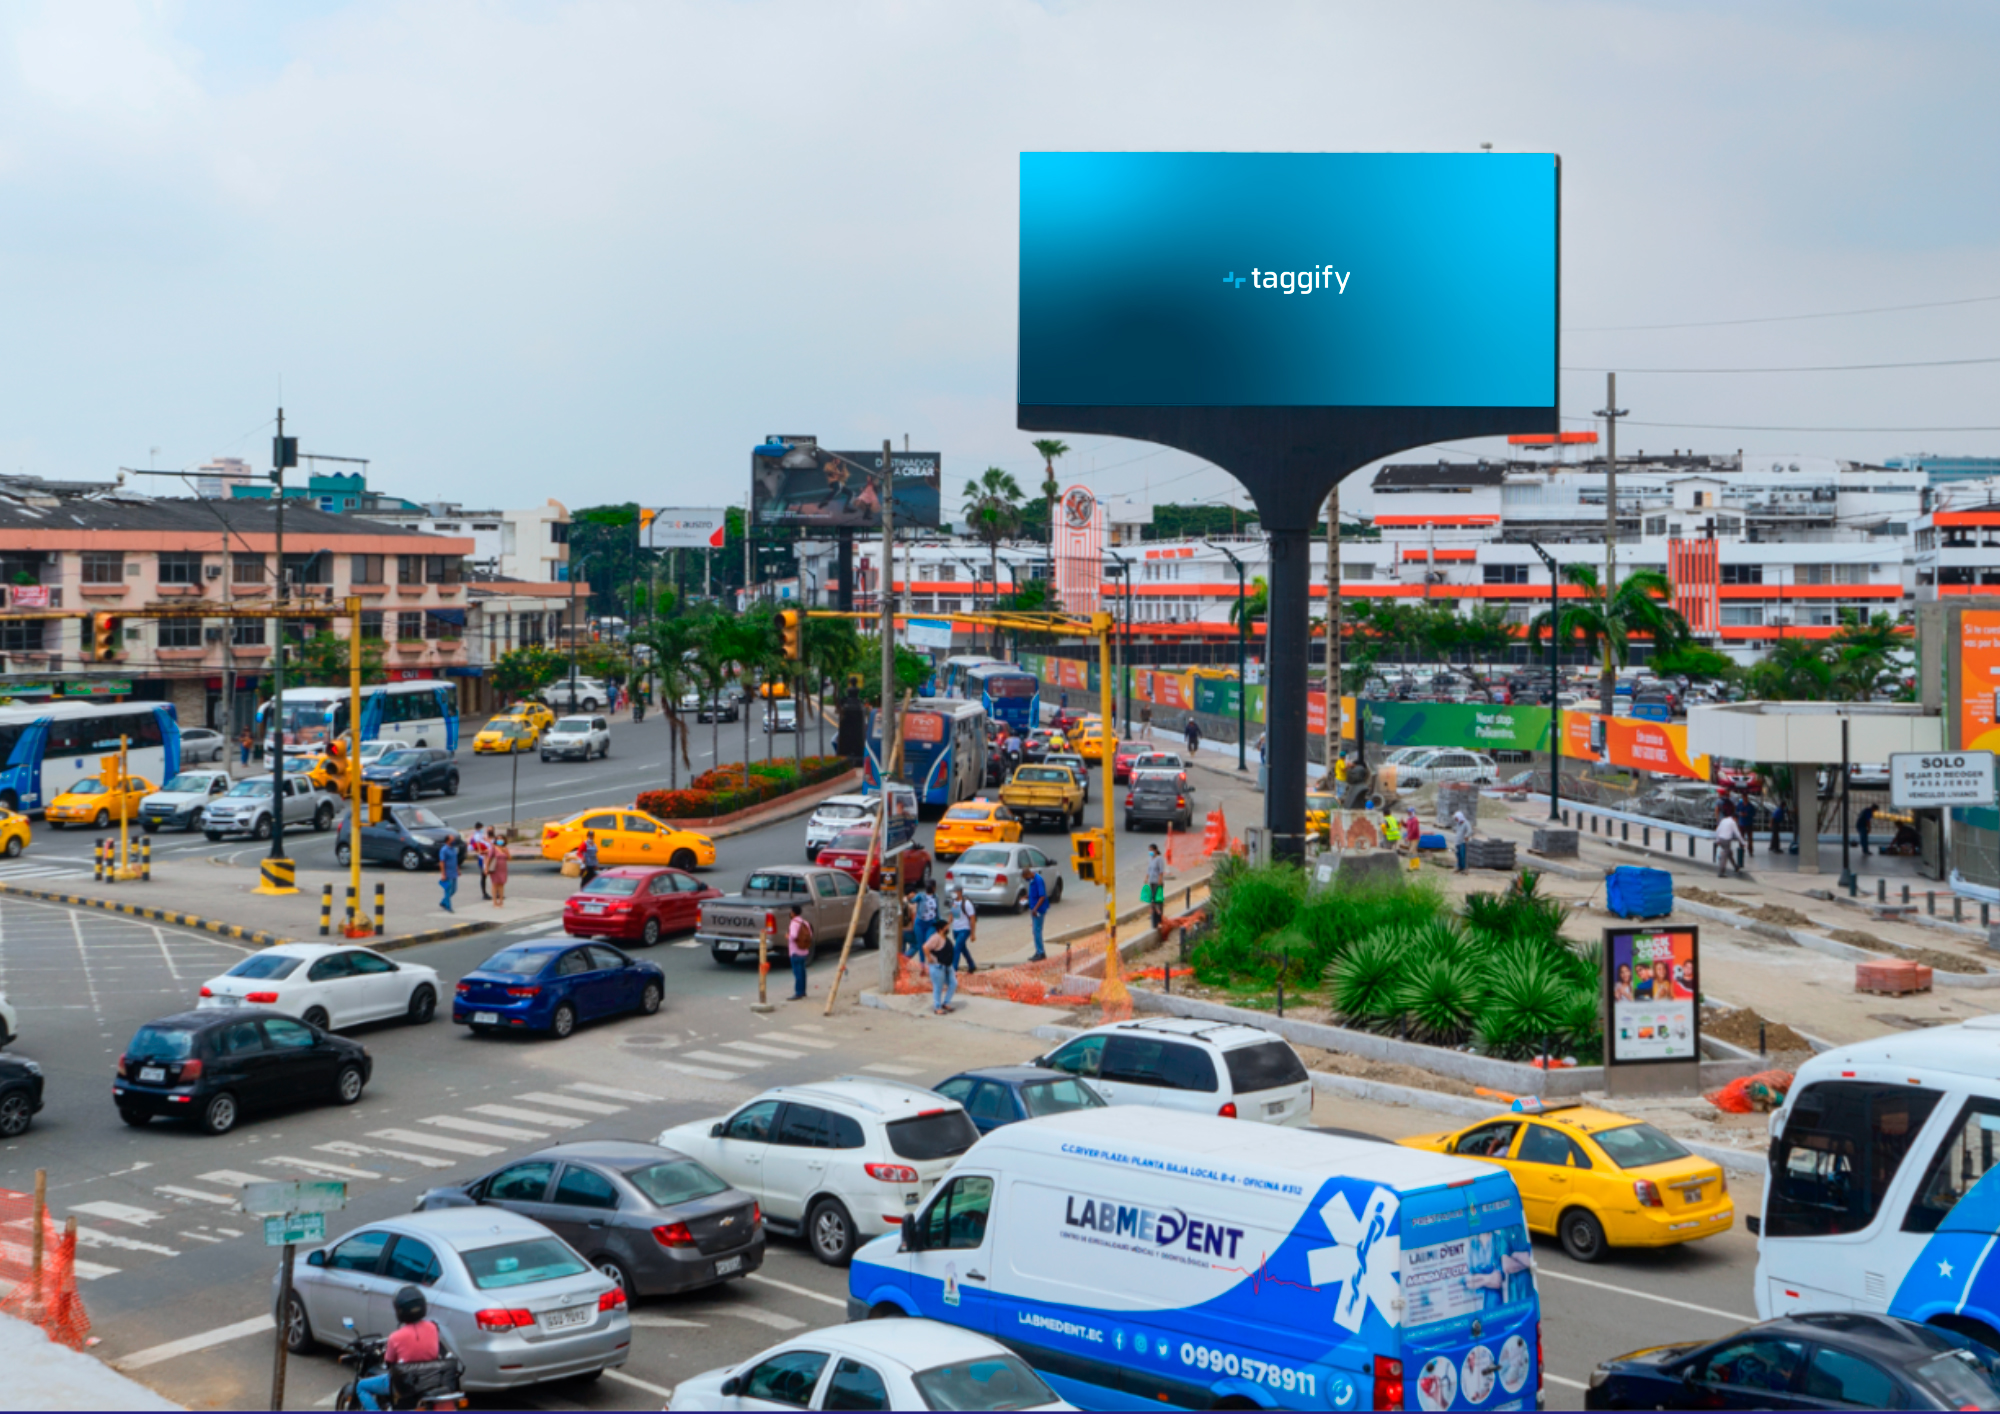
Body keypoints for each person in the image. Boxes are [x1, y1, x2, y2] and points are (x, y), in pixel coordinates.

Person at [355, 1285, 450, 1411]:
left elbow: (389, 1361)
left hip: (405, 1384)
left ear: (399, 1311)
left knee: (361, 1386)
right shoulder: (433, 1328)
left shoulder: (396, 1337)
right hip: (430, 1380)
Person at [924, 913, 957, 1014]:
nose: (948, 928)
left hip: (947, 966)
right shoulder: (935, 938)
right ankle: (937, 1007)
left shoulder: (945, 938)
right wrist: (929, 958)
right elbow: (925, 947)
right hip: (937, 966)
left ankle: (946, 1002)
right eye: (946, 927)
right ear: (941, 929)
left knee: (953, 983)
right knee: (938, 987)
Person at [786, 905, 812, 1001]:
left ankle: (798, 992)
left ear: (793, 913)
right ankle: (803, 991)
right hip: (804, 951)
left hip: (795, 951)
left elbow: (793, 936)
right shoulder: (805, 922)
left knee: (797, 973)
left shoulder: (794, 923)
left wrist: (788, 936)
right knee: (802, 972)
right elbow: (810, 934)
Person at [1025, 862, 1050, 961]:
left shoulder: (1038, 880)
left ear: (1028, 874)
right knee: (1035, 931)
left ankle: (1041, 952)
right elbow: (1033, 894)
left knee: (1037, 931)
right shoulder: (1032, 880)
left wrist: (1035, 908)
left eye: (1025, 877)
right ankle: (1038, 951)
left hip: (1038, 910)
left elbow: (1042, 896)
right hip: (1034, 909)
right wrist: (1026, 897)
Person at [950, 887, 978, 973]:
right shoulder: (954, 902)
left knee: (956, 949)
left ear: (960, 892)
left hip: (964, 929)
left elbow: (972, 919)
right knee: (962, 948)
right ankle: (971, 964)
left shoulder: (967, 904)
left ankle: (953, 969)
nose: (953, 893)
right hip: (956, 929)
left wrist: (972, 934)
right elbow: (954, 916)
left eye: (955, 892)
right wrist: (946, 925)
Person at [1143, 844, 1167, 931]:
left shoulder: (1159, 859)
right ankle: (1154, 916)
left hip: (1157, 882)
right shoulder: (1150, 859)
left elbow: (1161, 871)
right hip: (1151, 882)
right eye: (1149, 850)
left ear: (1156, 850)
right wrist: (1146, 878)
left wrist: (1160, 881)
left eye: (1151, 850)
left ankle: (1159, 918)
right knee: (1152, 899)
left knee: (1158, 900)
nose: (1150, 852)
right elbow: (1149, 870)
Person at [1714, 809, 1744, 877]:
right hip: (1726, 840)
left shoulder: (1724, 820)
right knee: (1724, 856)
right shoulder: (1732, 822)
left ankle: (1735, 866)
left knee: (1729, 853)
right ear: (1735, 818)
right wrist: (1743, 842)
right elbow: (1737, 833)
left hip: (1721, 839)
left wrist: (1717, 840)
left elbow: (1718, 830)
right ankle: (1721, 872)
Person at [467, 821, 491, 900]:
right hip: (482, 858)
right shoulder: (477, 835)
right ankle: (484, 893)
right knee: (484, 876)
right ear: (479, 828)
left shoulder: (480, 835)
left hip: (486, 857)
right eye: (482, 828)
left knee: (491, 876)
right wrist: (480, 850)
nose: (482, 829)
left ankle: (493, 892)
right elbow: (477, 844)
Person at [486, 828, 509, 907]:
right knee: (495, 884)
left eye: (501, 839)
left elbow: (509, 858)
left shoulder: (504, 848)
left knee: (501, 884)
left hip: (503, 868)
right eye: (498, 839)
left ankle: (501, 900)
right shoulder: (493, 848)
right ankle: (494, 901)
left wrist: (505, 851)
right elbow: (489, 858)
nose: (500, 840)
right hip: (495, 868)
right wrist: (486, 868)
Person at [437, 834, 460, 912]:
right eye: (452, 840)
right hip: (448, 873)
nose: (453, 841)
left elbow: (455, 860)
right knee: (448, 890)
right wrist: (443, 874)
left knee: (454, 889)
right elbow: (442, 862)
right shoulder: (444, 850)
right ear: (447, 841)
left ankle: (443, 901)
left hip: (454, 872)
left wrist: (458, 869)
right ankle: (448, 906)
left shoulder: (453, 849)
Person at [1451, 808, 1474, 874]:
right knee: (1458, 855)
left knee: (1463, 855)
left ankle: (1465, 868)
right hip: (1457, 842)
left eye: (1456, 818)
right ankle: (1459, 867)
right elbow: (1456, 830)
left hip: (1463, 842)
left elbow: (1470, 831)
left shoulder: (1466, 823)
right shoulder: (1458, 824)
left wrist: (1466, 836)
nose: (1456, 820)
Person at [1255, 730, 1268, 794]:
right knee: (1264, 758)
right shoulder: (1266, 734)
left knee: (1263, 758)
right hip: (1265, 748)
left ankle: (1264, 764)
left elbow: (1259, 742)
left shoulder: (1263, 734)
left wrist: (1258, 745)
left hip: (1264, 748)